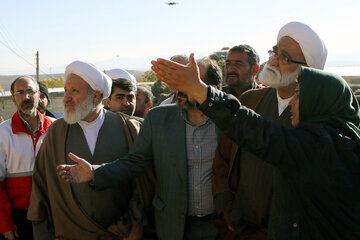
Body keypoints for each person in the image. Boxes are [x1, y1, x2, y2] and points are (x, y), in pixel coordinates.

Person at [150, 52, 360, 239]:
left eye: (299, 95)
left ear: (319, 101)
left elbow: (255, 130)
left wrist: (201, 92)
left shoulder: (320, 146)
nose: (293, 102)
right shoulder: (340, 141)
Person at [57, 59, 223, 240]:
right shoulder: (159, 119)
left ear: (210, 88)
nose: (177, 87)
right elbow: (134, 163)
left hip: (220, 227)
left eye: (187, 81)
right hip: (174, 227)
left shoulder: (231, 122)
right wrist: (94, 173)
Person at [211, 22, 328, 239]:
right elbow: (222, 161)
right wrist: (226, 209)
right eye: (274, 52)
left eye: (284, 57)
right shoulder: (249, 101)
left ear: (307, 69)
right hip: (238, 228)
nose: (272, 61)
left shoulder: (317, 118)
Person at [27, 60, 146, 240]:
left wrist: (136, 228)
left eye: (74, 91)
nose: (66, 97)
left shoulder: (129, 128)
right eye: (66, 90)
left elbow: (142, 184)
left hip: (121, 234)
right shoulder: (56, 132)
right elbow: (41, 190)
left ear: (96, 96)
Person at [0, 76, 53, 240]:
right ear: (13, 99)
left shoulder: (56, 128)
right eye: (20, 92)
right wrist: (5, 223)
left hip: (53, 214)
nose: (27, 97)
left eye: (30, 91)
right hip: (19, 218)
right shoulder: (3, 133)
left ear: (39, 95)